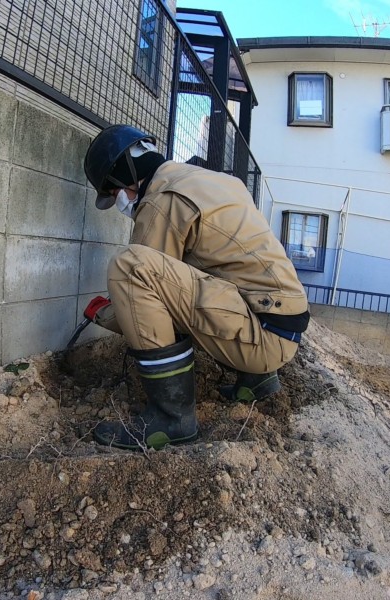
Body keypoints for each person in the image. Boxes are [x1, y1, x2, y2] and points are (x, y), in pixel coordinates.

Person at [82, 124, 310, 450]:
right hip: (281, 326)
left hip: (262, 340)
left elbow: (144, 298)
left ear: (126, 177)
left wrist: (103, 313)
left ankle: (171, 418)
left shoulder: (162, 202)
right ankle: (256, 382)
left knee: (129, 265)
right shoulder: (210, 180)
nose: (120, 202)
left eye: (114, 193)